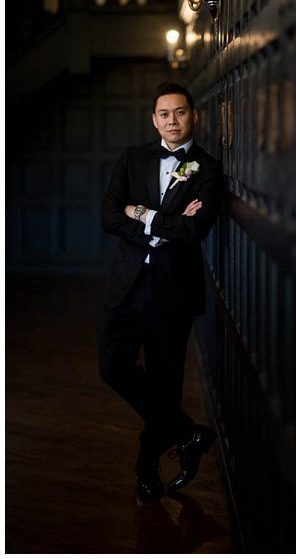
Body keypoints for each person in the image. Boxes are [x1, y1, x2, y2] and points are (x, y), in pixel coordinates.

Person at [98, 81, 224, 499]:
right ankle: (187, 433)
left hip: (173, 291)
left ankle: (147, 468)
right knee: (113, 366)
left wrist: (142, 213)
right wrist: (160, 228)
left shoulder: (207, 168)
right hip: (128, 284)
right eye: (164, 114)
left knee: (165, 381)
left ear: (194, 115)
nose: (173, 120)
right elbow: (109, 216)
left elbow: (193, 230)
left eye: (180, 113)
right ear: (154, 119)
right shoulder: (132, 158)